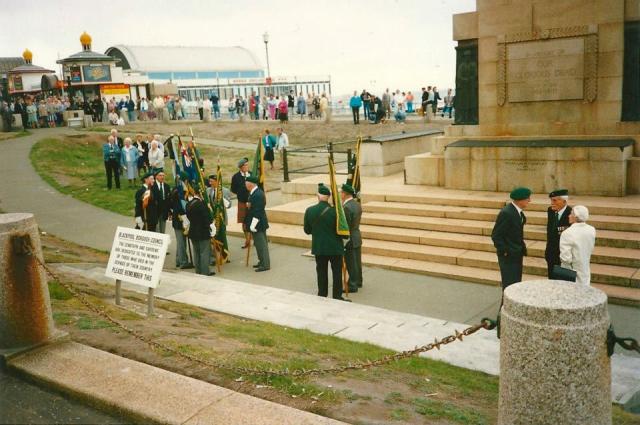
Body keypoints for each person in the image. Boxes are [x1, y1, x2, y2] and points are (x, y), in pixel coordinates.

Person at [304, 184, 347, 300]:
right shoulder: (336, 212)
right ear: (329, 197)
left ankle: (322, 295)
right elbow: (343, 231)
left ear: (318, 196)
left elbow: (307, 231)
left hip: (320, 247)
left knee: (321, 272)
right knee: (337, 273)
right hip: (335, 247)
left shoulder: (309, 211)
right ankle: (337, 296)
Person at [491, 187, 531, 290]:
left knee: (515, 284)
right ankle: (506, 306)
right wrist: (505, 251)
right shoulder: (507, 213)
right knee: (509, 286)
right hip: (509, 256)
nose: (529, 201)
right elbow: (496, 235)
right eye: (527, 199)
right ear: (520, 200)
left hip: (516, 253)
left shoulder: (518, 212)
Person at [560, 205, 596, 285]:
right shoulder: (591, 229)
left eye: (571, 214)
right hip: (585, 268)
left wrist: (566, 273)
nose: (569, 216)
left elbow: (565, 258)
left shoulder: (567, 233)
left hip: (572, 272)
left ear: (576, 217)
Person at [245, 175, 270, 272]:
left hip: (258, 224)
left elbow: (258, 211)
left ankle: (265, 264)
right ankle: (261, 261)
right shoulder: (253, 193)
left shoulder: (258, 194)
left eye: (246, 183)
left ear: (250, 184)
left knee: (261, 245)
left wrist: (253, 224)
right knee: (258, 244)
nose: (245, 184)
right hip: (256, 223)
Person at [186, 192, 215, 276]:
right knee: (204, 252)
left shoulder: (188, 204)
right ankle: (205, 271)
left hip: (193, 231)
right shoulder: (202, 204)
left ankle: (198, 271)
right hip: (203, 231)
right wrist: (212, 229)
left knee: (197, 252)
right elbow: (207, 218)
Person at [545, 189, 572, 278]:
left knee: (563, 283)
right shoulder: (551, 211)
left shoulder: (571, 213)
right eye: (551, 200)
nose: (552, 203)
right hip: (551, 254)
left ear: (564, 201)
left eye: (555, 200)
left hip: (564, 257)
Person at [341, 184, 362, 293]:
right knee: (357, 261)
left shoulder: (346, 208)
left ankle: (353, 285)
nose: (340, 194)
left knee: (351, 262)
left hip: (350, 238)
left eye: (341, 193)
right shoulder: (357, 204)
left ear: (344, 194)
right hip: (357, 235)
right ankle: (358, 281)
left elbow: (346, 225)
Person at [169, 173, 193, 269]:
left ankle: (179, 260)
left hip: (178, 219)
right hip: (181, 220)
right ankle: (183, 262)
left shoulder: (175, 190)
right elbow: (181, 207)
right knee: (182, 242)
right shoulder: (179, 192)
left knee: (180, 242)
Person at [231, 158, 252, 249]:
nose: (247, 166)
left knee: (252, 221)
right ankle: (247, 239)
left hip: (252, 202)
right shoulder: (236, 177)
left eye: (247, 164)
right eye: (245, 165)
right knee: (244, 222)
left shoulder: (251, 175)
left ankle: (252, 238)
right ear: (241, 167)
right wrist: (240, 193)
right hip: (242, 202)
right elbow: (233, 189)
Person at [152, 169, 171, 234]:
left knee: (163, 232)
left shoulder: (167, 186)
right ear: (156, 176)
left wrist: (169, 211)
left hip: (164, 213)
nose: (162, 177)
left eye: (163, 175)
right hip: (155, 213)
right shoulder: (152, 186)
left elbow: (168, 200)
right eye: (160, 175)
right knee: (157, 232)